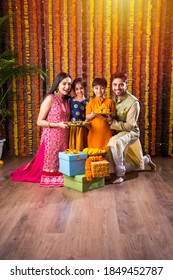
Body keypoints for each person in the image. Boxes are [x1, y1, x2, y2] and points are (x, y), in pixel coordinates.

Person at [11, 72, 72, 187]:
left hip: (63, 138)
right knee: (51, 168)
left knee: (62, 165)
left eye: (69, 84)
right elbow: (39, 121)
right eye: (64, 84)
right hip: (51, 139)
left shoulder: (65, 100)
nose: (67, 87)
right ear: (57, 84)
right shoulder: (50, 99)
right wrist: (58, 125)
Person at [107, 72, 156, 184]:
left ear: (126, 85)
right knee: (116, 162)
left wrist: (111, 122)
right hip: (117, 132)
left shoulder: (133, 103)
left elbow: (130, 125)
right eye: (115, 85)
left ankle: (120, 175)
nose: (117, 88)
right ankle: (145, 159)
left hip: (131, 132)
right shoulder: (113, 98)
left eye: (121, 85)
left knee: (114, 143)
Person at [86, 77, 115, 149]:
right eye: (96, 88)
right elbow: (87, 117)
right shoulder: (91, 103)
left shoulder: (109, 102)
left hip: (107, 133)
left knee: (107, 153)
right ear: (93, 89)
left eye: (102, 88)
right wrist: (93, 114)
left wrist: (110, 116)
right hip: (94, 133)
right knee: (95, 153)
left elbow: (114, 114)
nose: (99, 91)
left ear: (105, 89)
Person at [69, 77, 89, 151]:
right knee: (73, 146)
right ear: (74, 90)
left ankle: (82, 161)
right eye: (77, 89)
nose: (79, 91)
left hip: (83, 128)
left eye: (81, 88)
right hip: (72, 128)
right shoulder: (70, 100)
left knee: (81, 146)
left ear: (85, 88)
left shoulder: (88, 102)